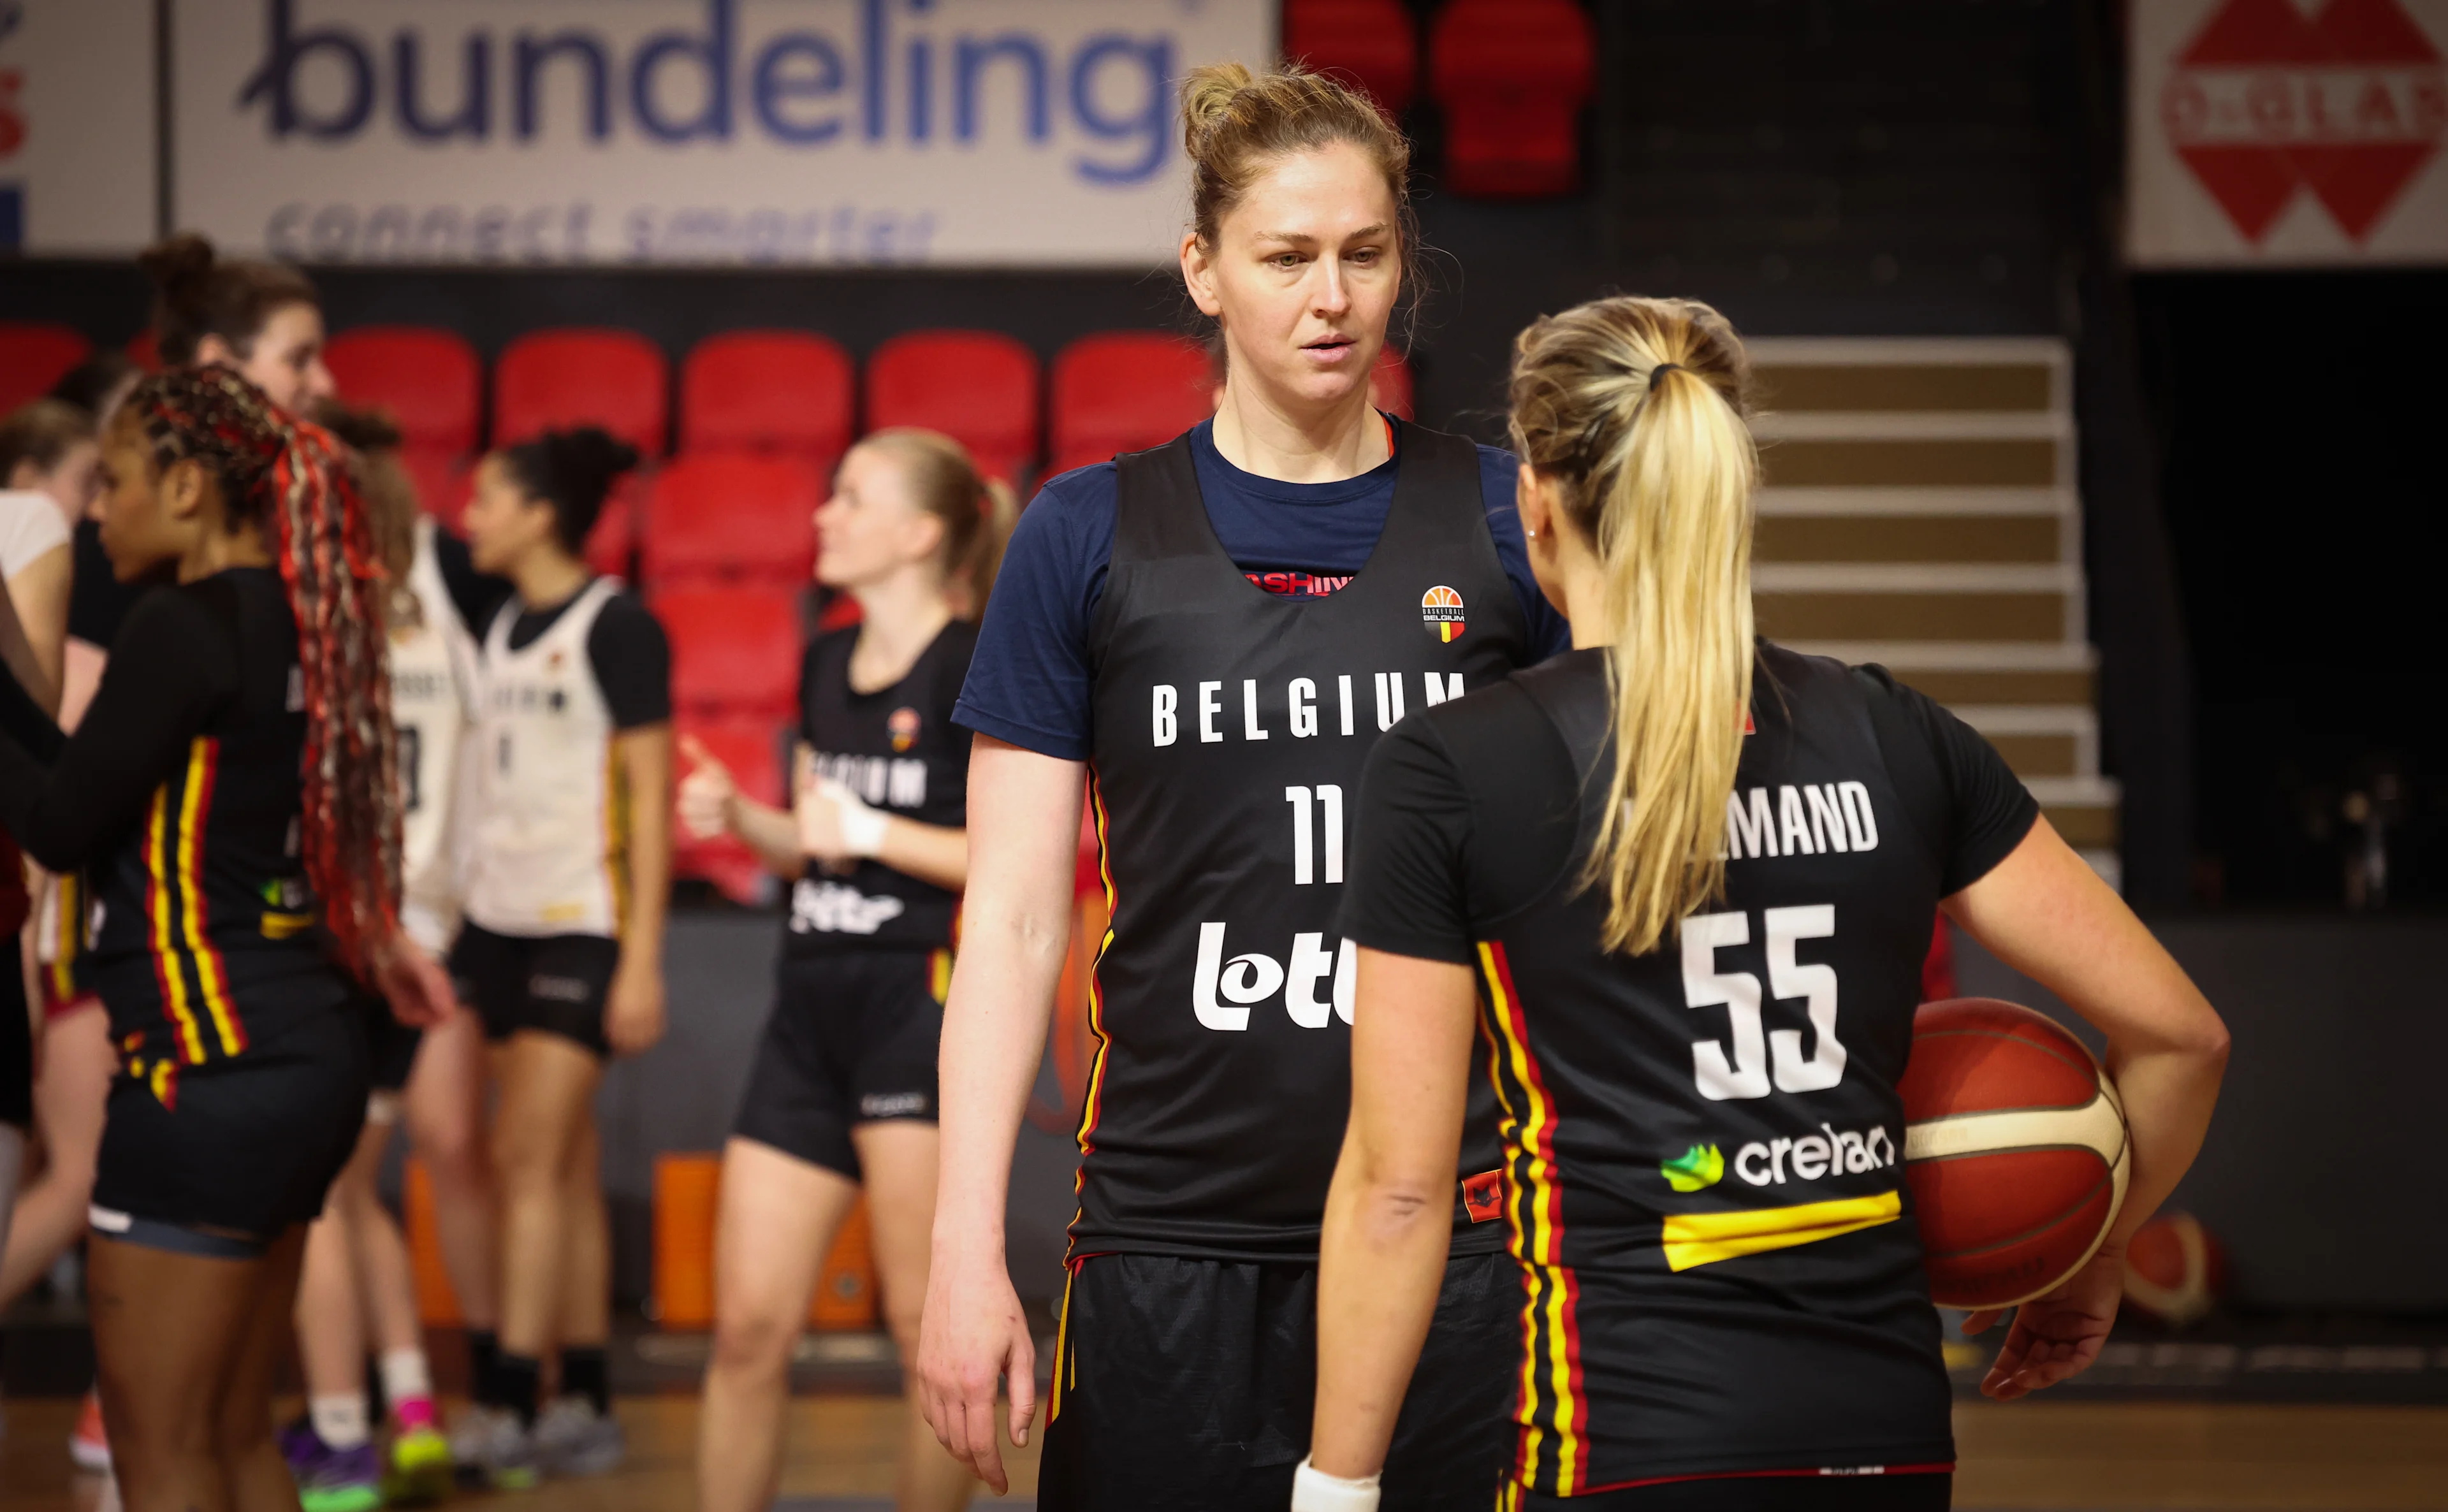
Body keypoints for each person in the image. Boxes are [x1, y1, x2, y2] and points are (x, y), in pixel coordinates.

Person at [1302, 295, 2234, 1511]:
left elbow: (1402, 1185)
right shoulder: (1896, 734)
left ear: (1534, 496)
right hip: (1889, 1440)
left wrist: (1337, 1484)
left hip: (1622, 1436)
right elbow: (2184, 1039)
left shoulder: (1454, 767)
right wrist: (2091, 1250)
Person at [917, 62, 1573, 1511]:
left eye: (1365, 254)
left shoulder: (1504, 520)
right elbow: (1018, 921)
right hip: (1166, 1243)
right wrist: (966, 1253)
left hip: (1457, 1241)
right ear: (1204, 272)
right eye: (1286, 259)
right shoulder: (1085, 535)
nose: (1332, 297)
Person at [0, 365, 453, 1512]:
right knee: (238, 1437)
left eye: (118, 482)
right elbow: (89, 793)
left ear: (190, 488)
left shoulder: (182, 625)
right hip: (303, 1050)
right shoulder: (299, 614)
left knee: (165, 1459)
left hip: (207, 1069)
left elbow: (52, 826)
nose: (98, 512)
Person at [681, 428, 1010, 1512]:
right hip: (806, 1006)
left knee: (926, 1330)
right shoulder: (826, 657)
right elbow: (819, 837)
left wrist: (864, 826)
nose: (822, 515)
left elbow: (1003, 859)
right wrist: (742, 819)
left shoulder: (972, 661)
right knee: (747, 1330)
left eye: (850, 497)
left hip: (912, 1002)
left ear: (919, 534)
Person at [448, 425, 673, 1487]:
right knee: (564, 1168)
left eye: (487, 498)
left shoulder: (617, 626)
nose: (470, 516)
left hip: (581, 920)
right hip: (494, 924)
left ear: (541, 513)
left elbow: (648, 799)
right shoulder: (493, 621)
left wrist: (641, 957)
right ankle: (583, 1396)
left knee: (525, 1163)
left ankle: (506, 1401)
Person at [276, 408, 481, 1511]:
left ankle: (344, 1435)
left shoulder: (327, 636)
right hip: (427, 939)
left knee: (316, 1196)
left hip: (354, 937)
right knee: (357, 1191)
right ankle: (408, 1412)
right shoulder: (445, 641)